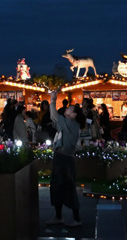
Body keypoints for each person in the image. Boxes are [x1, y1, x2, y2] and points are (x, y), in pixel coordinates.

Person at [47, 91, 82, 228]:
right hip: (61, 157)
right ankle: (58, 216)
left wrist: (53, 99)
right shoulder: (67, 123)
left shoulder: (72, 124)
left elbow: (54, 115)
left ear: (74, 115)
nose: (66, 109)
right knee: (57, 186)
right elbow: (54, 118)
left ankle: (76, 218)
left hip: (65, 159)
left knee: (67, 187)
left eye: (69, 109)